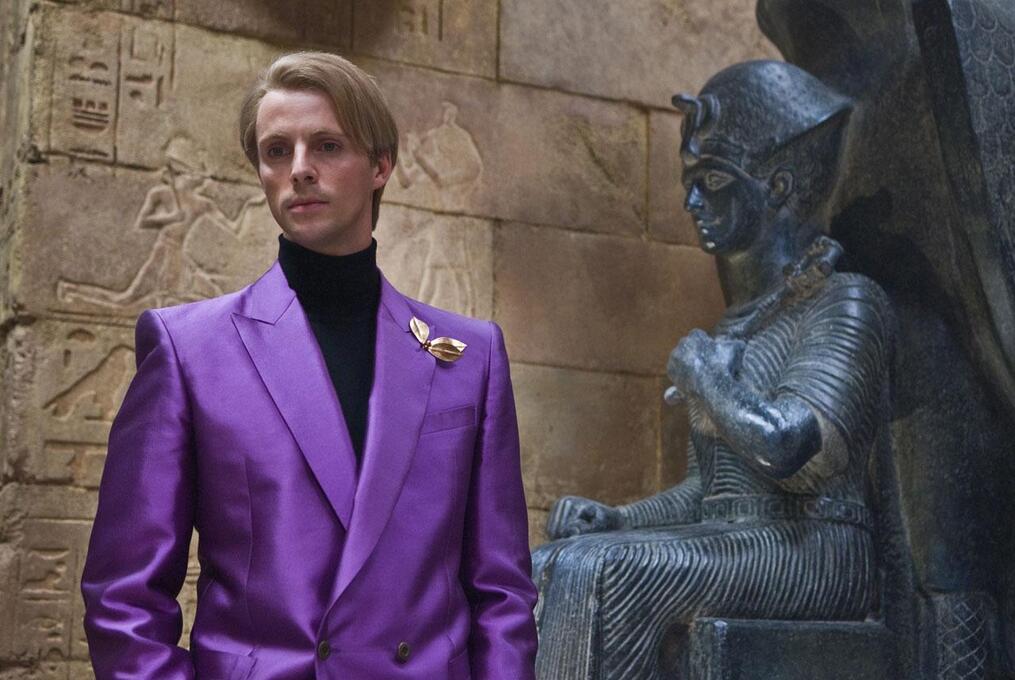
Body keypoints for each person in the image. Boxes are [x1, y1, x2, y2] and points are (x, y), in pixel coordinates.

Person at [80, 51, 537, 680]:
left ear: (380, 166)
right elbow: (124, 598)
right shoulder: (189, 350)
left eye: (326, 145)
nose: (299, 169)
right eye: (276, 151)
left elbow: (502, 592)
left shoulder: (469, 355)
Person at [531, 61, 893, 680]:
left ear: (778, 186)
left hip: (818, 549)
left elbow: (790, 449)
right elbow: (709, 493)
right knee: (548, 564)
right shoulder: (738, 324)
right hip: (741, 542)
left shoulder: (845, 301)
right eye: (689, 181)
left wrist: (708, 381)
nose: (691, 201)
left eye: (714, 180)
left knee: (601, 571)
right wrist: (620, 519)